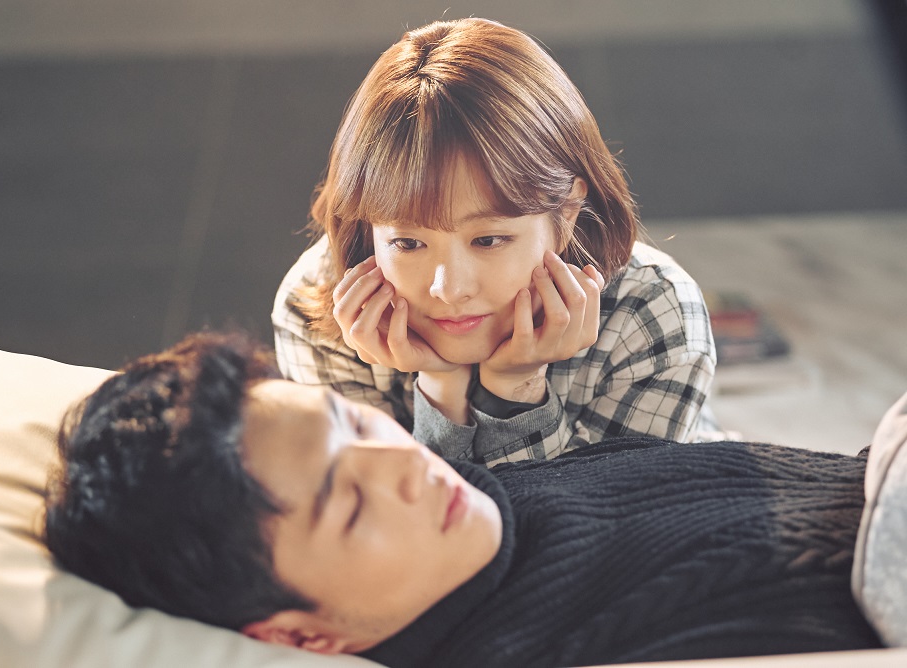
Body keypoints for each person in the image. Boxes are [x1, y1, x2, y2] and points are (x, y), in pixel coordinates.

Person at [45, 332, 883, 668]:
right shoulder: (558, 642)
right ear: (302, 636)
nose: (402, 463)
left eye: (353, 423)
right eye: (350, 506)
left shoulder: (499, 503)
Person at [272, 17, 719, 468]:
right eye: (407, 243)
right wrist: (440, 388)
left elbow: (615, 512)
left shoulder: (651, 313)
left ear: (566, 211)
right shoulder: (317, 312)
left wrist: (516, 392)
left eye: (487, 240)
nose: (449, 289)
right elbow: (386, 511)